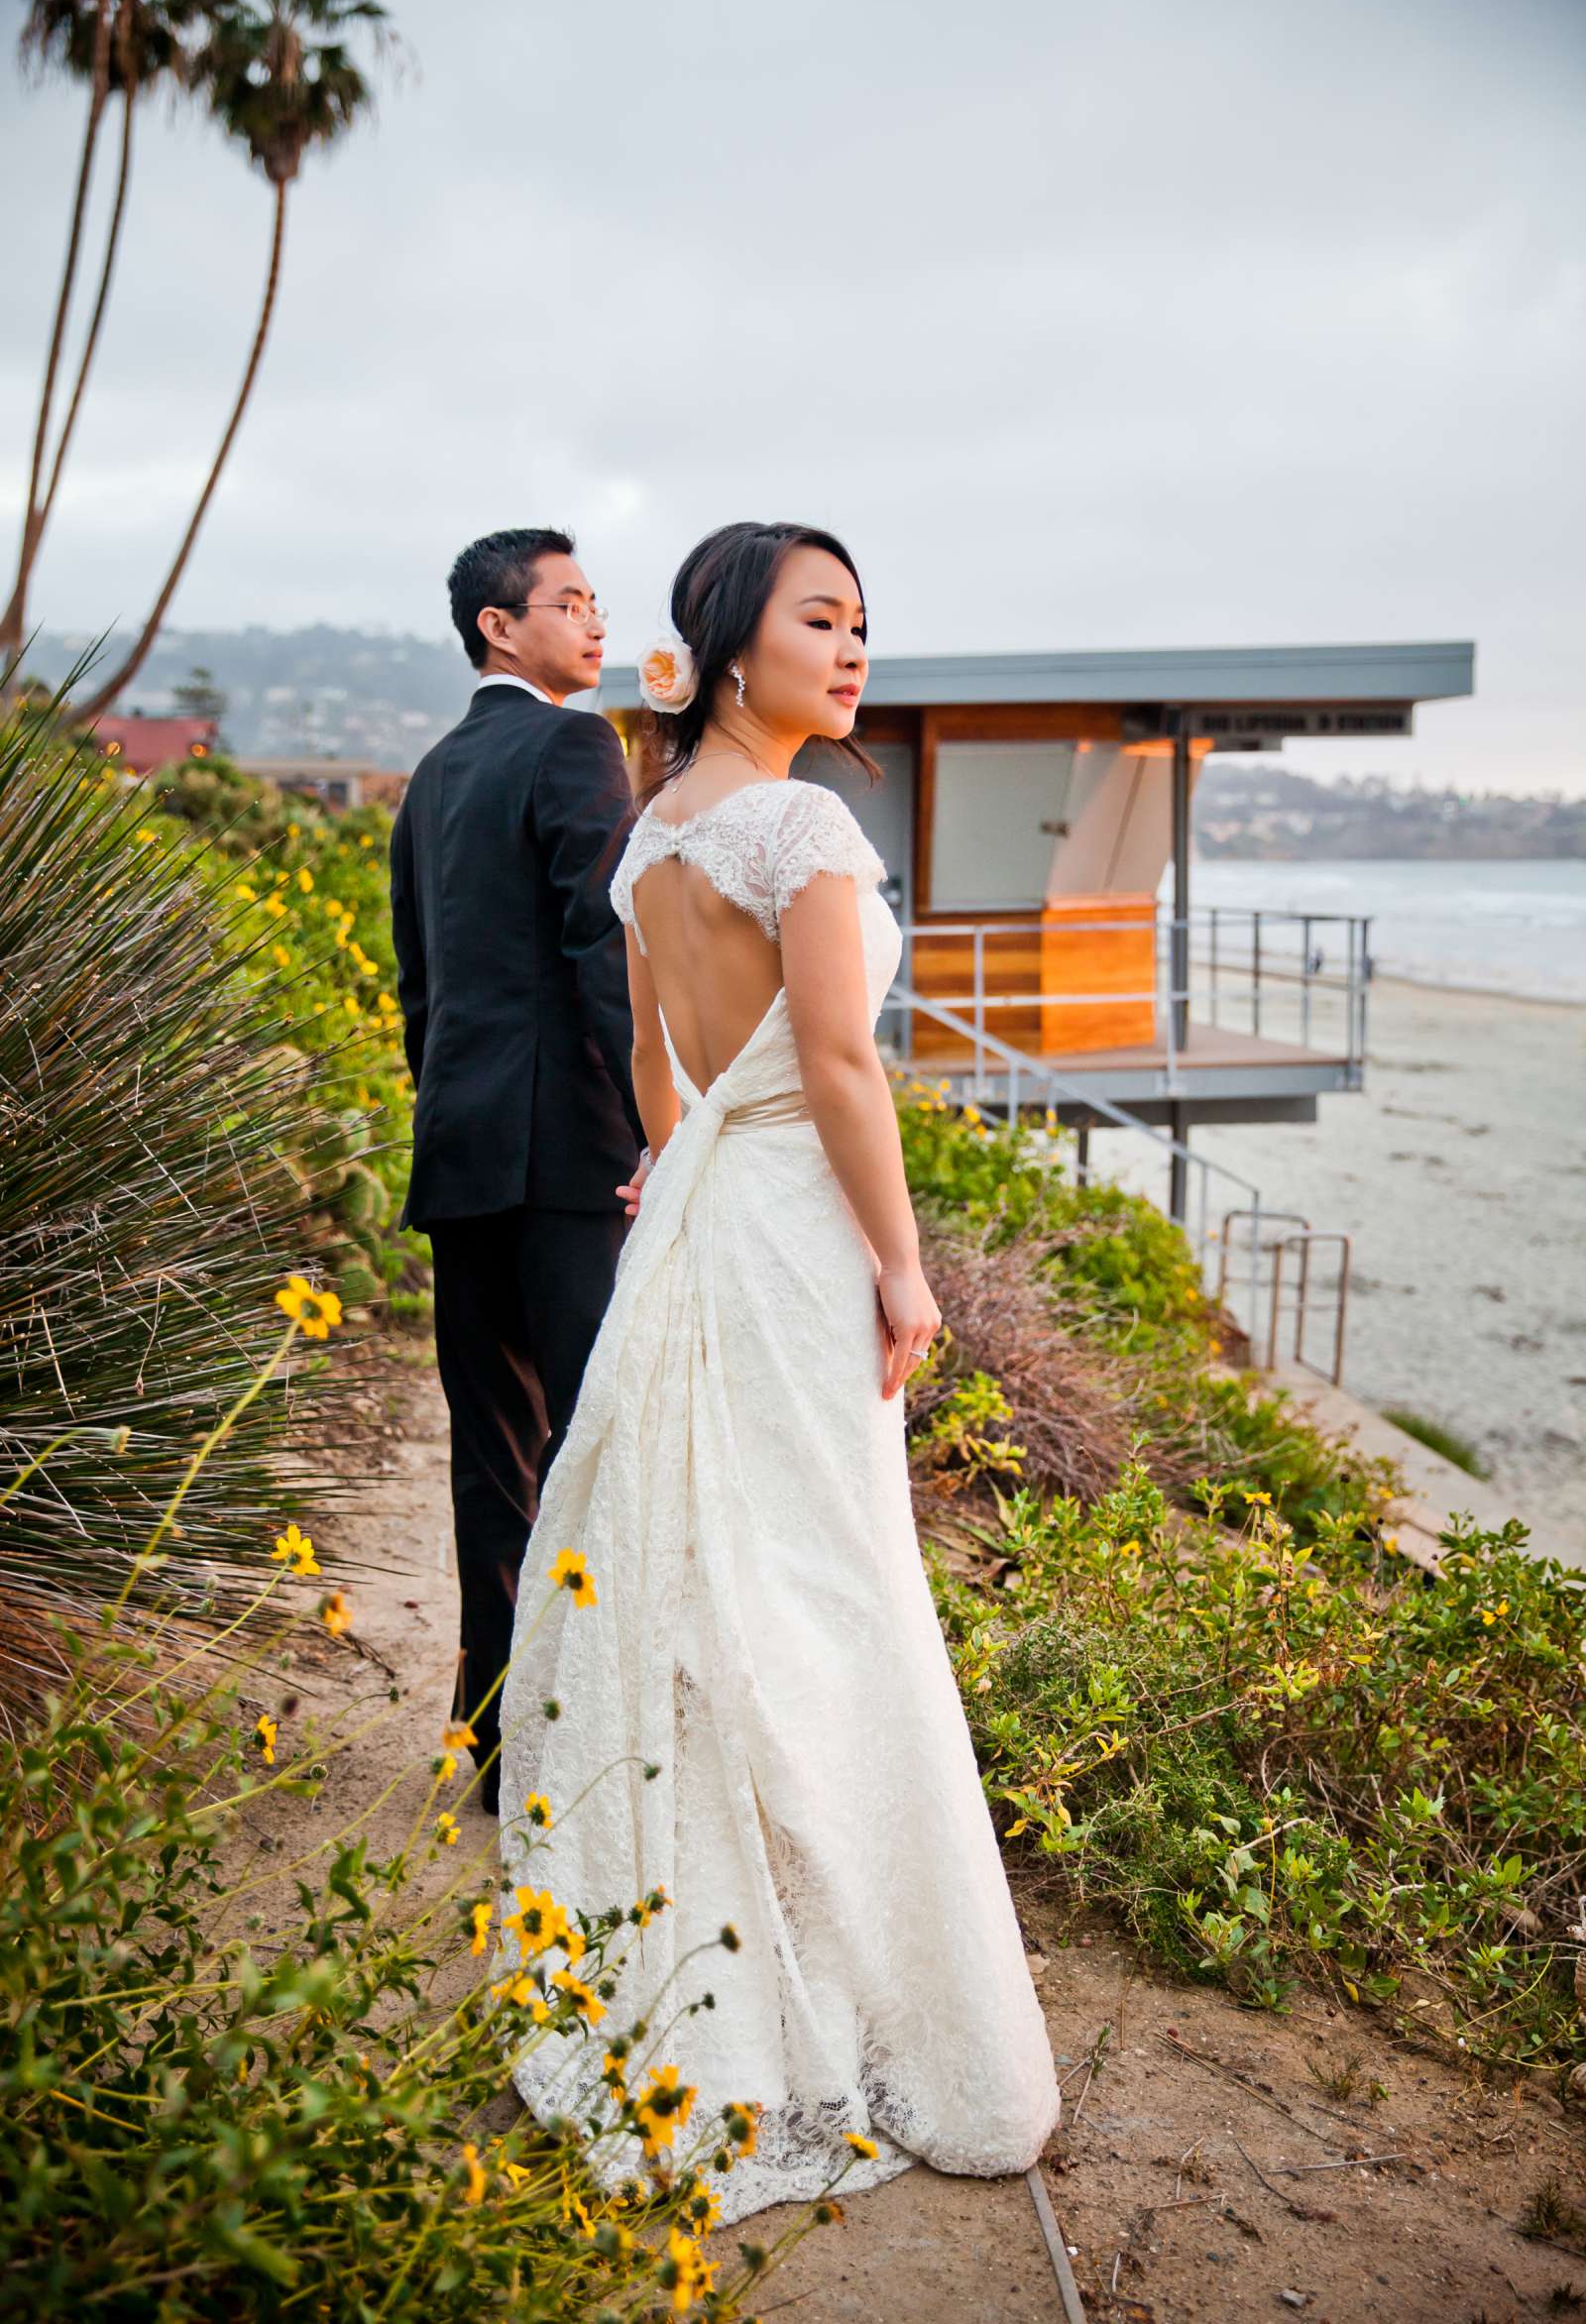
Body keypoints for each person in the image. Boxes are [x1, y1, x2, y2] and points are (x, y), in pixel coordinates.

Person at [494, 520, 1062, 2220]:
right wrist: (902, 1265)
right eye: (824, 618)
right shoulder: (801, 822)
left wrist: (673, 1184)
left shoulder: (653, 831)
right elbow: (838, 1068)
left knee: (708, 1572)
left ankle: (718, 1940)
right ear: (735, 648)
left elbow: (668, 1077)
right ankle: (844, 1981)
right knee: (827, 1579)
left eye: (866, 620)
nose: (856, 645)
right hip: (795, 1232)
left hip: (692, 1224)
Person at [390, 526, 645, 1814]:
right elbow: (602, 945)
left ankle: (497, 1743)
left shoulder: (434, 774)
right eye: (569, 603)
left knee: (492, 1455)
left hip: (462, 1154)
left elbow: (419, 992)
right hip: (569, 1161)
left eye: (597, 601)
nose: (596, 624)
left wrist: (453, 1115)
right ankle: (581, 1736)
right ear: (501, 627)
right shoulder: (572, 744)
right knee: (594, 1442)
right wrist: (659, 1121)